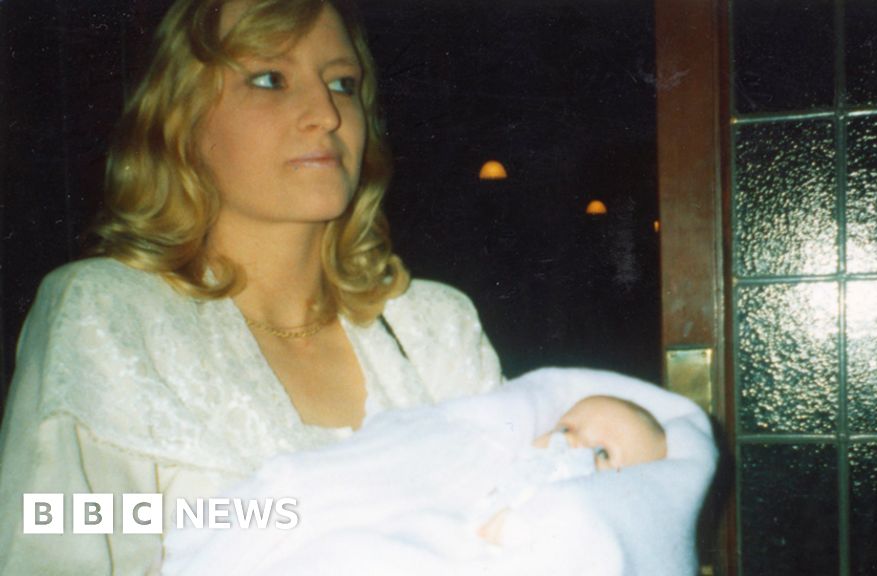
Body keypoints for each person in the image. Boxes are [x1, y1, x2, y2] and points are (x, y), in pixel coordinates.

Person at [0, 0, 501, 573]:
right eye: (270, 79)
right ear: (183, 120)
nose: (326, 114)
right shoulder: (105, 314)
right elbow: (53, 538)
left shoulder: (435, 327)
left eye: (342, 83)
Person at [160, 368, 710, 576]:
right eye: (569, 428)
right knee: (347, 554)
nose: (575, 447)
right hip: (435, 538)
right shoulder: (512, 455)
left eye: (604, 454)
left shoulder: (579, 501)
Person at [477, 394, 668, 545]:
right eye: (565, 430)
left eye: (602, 453)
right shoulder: (509, 468)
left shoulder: (589, 519)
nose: (570, 441)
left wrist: (516, 531)